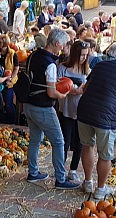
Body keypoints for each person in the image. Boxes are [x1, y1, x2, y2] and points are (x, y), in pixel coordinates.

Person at [77, 52, 116, 200]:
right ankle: (100, 189)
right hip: (107, 118)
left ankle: (87, 182)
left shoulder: (100, 65)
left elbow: (85, 88)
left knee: (87, 146)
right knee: (105, 156)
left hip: (85, 111)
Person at [21, 29, 77, 189]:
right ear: (57, 43)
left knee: (35, 139)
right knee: (59, 141)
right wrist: (62, 95)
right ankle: (60, 178)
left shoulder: (33, 56)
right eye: (65, 44)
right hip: (43, 108)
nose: (65, 47)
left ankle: (33, 172)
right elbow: (51, 92)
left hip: (28, 104)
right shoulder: (50, 64)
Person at [57, 40, 89, 182]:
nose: (83, 58)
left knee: (79, 143)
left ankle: (73, 169)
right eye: (81, 55)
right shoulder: (62, 68)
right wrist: (74, 91)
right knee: (64, 141)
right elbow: (57, 87)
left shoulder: (86, 71)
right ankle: (60, 169)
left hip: (81, 111)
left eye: (85, 56)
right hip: (66, 110)